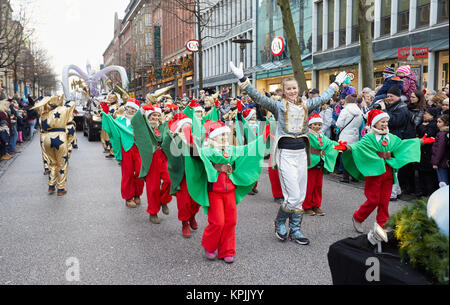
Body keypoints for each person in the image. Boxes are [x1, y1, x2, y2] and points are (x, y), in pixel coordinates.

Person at [230, 61, 347, 245]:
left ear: (299, 89)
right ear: (284, 91)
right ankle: (278, 222)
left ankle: (296, 229)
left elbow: (324, 98)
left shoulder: (307, 104)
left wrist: (336, 84)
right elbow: (258, 97)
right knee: (292, 196)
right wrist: (243, 78)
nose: (292, 91)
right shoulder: (278, 106)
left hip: (302, 154)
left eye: (294, 88)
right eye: (289, 89)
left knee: (299, 197)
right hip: (285, 154)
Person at [335, 109, 435, 232]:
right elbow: (358, 147)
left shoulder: (391, 137)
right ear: (375, 123)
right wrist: (347, 147)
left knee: (384, 200)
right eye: (382, 122)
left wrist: (420, 141)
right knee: (373, 200)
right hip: (374, 172)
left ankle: (382, 224)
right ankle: (358, 217)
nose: (385, 124)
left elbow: (402, 144)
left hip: (388, 171)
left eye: (386, 122)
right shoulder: (369, 138)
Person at [187, 119, 265, 263]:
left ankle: (227, 250)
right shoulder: (207, 151)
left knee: (230, 222)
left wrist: (263, 137)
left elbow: (249, 150)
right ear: (212, 138)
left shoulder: (231, 150)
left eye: (225, 135)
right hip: (214, 192)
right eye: (220, 136)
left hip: (230, 191)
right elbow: (196, 154)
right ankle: (209, 246)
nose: (224, 139)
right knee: (218, 222)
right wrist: (188, 141)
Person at [102, 99, 145, 208]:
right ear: (126, 108)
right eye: (129, 108)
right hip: (126, 149)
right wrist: (106, 113)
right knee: (127, 173)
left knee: (140, 172)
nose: (131, 110)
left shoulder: (141, 121)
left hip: (139, 149)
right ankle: (128, 197)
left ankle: (137, 193)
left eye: (134, 109)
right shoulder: (120, 121)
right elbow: (111, 126)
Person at [32, 96, 75, 196]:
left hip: (47, 138)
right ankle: (60, 188)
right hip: (59, 136)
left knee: (53, 163)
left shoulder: (44, 114)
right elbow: (72, 104)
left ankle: (51, 185)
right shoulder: (63, 109)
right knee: (62, 163)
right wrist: (66, 99)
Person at [303, 114, 339, 216]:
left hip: (320, 162)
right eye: (315, 124)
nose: (317, 126)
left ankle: (316, 205)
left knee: (318, 185)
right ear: (310, 125)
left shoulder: (321, 135)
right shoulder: (307, 135)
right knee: (309, 185)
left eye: (319, 124)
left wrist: (339, 145)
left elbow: (330, 143)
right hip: (310, 162)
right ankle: (307, 206)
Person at [416, 107, 440, 197]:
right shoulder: (423, 123)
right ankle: (423, 191)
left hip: (429, 152)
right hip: (422, 152)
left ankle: (429, 193)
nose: (424, 115)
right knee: (422, 173)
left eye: (426, 113)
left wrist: (423, 126)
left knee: (428, 175)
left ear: (432, 116)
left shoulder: (433, 125)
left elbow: (427, 134)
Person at [432, 114, 449, 186]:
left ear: (446, 123)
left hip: (442, 162)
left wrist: (435, 162)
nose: (437, 123)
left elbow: (440, 149)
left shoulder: (442, 134)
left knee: (443, 182)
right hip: (445, 161)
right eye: (437, 121)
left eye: (440, 122)